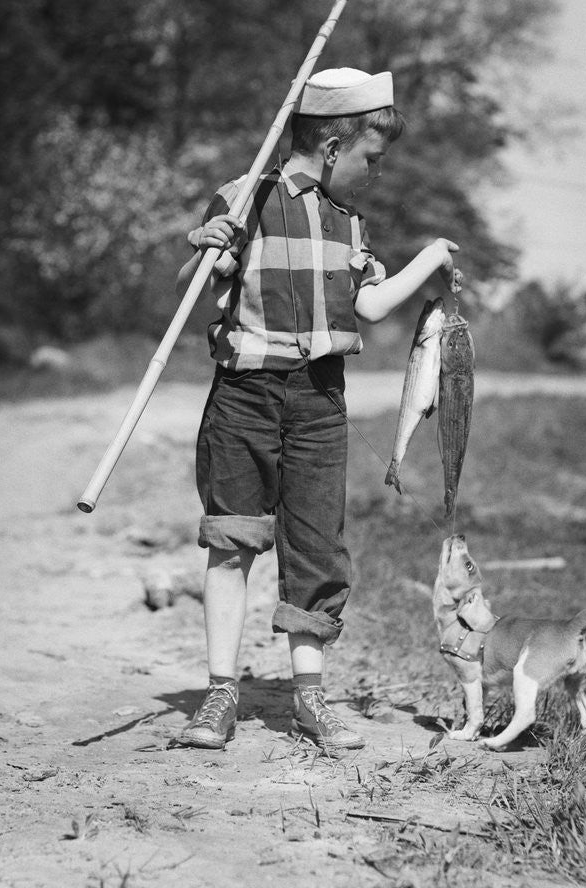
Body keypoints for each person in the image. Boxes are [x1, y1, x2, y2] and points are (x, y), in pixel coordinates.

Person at [170, 67, 461, 751]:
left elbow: (369, 305)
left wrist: (430, 260)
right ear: (332, 147)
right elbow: (193, 291)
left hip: (320, 401)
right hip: (244, 395)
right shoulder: (244, 197)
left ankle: (308, 697)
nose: (377, 174)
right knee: (232, 540)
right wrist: (206, 250)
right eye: (372, 159)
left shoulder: (349, 223)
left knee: (315, 547)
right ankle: (220, 694)